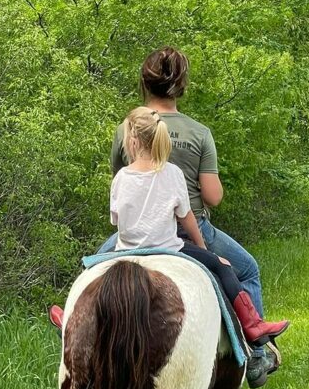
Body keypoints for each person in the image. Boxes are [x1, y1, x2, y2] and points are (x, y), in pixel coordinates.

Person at [108, 107, 288, 352]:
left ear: (132, 140)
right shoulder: (172, 173)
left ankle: (72, 320)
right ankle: (252, 326)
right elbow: (186, 217)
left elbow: (116, 220)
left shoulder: (121, 178)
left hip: (125, 253)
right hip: (168, 250)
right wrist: (204, 249)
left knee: (89, 273)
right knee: (223, 267)